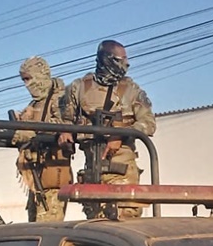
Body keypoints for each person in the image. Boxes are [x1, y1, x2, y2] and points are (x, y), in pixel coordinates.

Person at [60, 40, 156, 219]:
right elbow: (65, 118)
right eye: (121, 60)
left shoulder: (131, 91)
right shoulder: (79, 88)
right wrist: (65, 132)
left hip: (121, 169)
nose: (125, 65)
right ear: (106, 60)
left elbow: (149, 123)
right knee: (96, 227)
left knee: (124, 222)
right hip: (92, 168)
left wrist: (120, 134)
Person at [12, 56, 71, 222]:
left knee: (47, 226)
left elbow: (61, 124)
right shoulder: (36, 103)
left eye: (28, 79)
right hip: (36, 172)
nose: (26, 85)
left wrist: (29, 128)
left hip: (52, 171)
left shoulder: (59, 98)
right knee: (34, 224)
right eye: (23, 80)